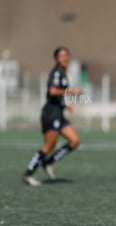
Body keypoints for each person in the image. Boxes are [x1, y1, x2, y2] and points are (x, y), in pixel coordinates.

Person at [22, 47, 81, 186]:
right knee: (48, 147)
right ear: (56, 58)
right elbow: (52, 91)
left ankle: (48, 163)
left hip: (58, 113)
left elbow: (56, 95)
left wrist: (64, 105)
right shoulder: (56, 73)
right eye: (62, 56)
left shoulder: (63, 73)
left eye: (67, 55)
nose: (65, 58)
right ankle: (28, 174)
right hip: (50, 114)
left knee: (74, 141)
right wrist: (71, 91)